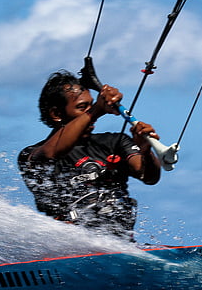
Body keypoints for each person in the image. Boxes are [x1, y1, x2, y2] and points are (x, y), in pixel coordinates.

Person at [18, 70, 162, 238]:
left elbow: (149, 177)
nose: (92, 114)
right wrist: (96, 110)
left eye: (91, 104)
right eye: (82, 107)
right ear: (56, 114)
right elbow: (53, 152)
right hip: (68, 246)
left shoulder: (115, 142)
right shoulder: (32, 155)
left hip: (119, 246)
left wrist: (146, 150)